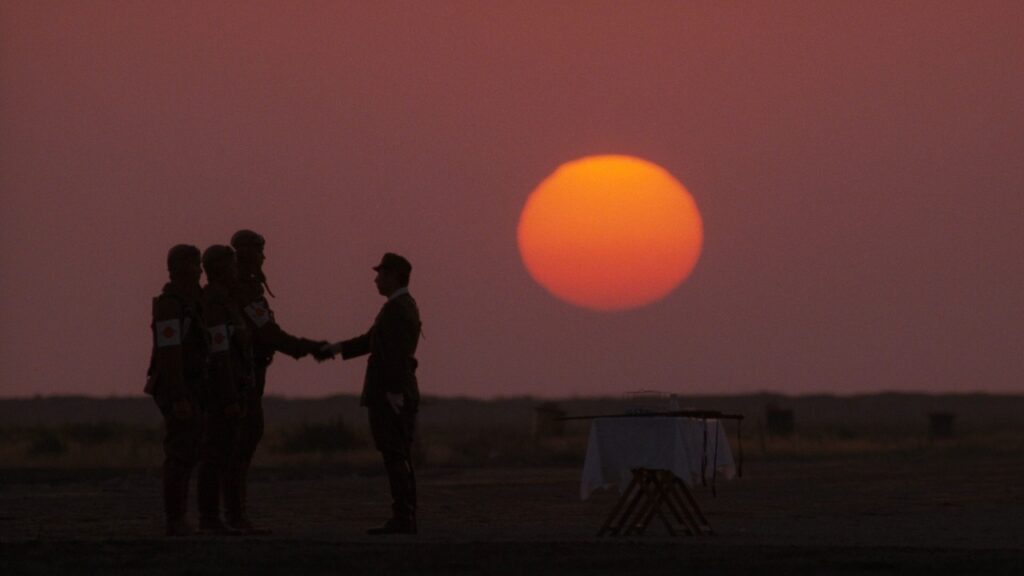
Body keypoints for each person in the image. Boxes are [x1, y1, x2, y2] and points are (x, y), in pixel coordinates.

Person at [228, 229, 327, 532]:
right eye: (259, 251)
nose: (264, 257)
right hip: (241, 376)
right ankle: (234, 515)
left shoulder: (240, 289)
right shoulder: (243, 291)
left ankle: (229, 515)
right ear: (246, 254)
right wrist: (308, 347)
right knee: (240, 444)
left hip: (247, 374)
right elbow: (268, 333)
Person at [322, 252, 422, 535]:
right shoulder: (400, 306)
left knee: (395, 455)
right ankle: (405, 516)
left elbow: (396, 354)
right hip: (395, 392)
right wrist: (339, 348)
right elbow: (373, 341)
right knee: (397, 454)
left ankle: (403, 517)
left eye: (381, 274)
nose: (376, 280)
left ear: (393, 276)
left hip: (391, 394)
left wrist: (393, 392)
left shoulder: (397, 309)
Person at [145, 244, 206, 536]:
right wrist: (179, 395)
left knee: (190, 449)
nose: (199, 270)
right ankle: (175, 518)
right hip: (176, 387)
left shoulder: (192, 302)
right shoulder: (171, 305)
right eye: (193, 265)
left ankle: (179, 517)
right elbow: (169, 353)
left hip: (191, 385)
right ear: (177, 268)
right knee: (181, 451)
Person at [196, 245, 250, 534]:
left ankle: (228, 516)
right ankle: (210, 518)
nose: (236, 272)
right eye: (232, 267)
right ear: (220, 270)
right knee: (215, 456)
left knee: (227, 454)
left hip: (232, 389)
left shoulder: (227, 302)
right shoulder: (215, 305)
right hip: (220, 393)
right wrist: (229, 396)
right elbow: (220, 353)